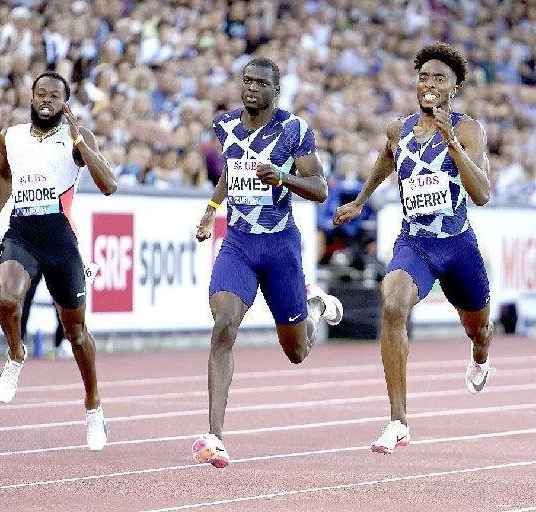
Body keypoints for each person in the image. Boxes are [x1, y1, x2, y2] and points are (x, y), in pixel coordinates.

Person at [333, 43, 494, 455]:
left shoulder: (470, 129)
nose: (429, 84)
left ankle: (479, 356)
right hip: (415, 243)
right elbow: (386, 160)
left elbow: (482, 195)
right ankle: (398, 420)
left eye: (439, 78)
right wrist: (361, 200)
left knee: (478, 329)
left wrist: (451, 141)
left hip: (458, 245)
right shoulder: (398, 129)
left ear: (454, 88)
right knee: (392, 305)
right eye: (424, 77)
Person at [191, 58, 344, 468]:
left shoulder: (294, 130)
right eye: (247, 81)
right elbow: (229, 170)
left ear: (276, 91)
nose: (252, 88)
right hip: (238, 245)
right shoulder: (224, 126)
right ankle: (215, 436)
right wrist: (210, 210)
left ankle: (312, 307)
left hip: (280, 249)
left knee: (296, 351)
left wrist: (284, 177)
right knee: (223, 324)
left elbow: (320, 188)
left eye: (261, 83)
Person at [0, 71, 117, 451]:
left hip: (61, 242)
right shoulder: (12, 136)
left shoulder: (77, 137)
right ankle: (16, 353)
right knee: (7, 299)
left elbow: (109, 186)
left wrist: (79, 140)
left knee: (75, 333)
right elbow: (5, 177)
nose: (46, 99)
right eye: (40, 93)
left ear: (65, 102)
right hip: (22, 234)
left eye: (54, 95)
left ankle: (93, 405)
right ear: (31, 97)